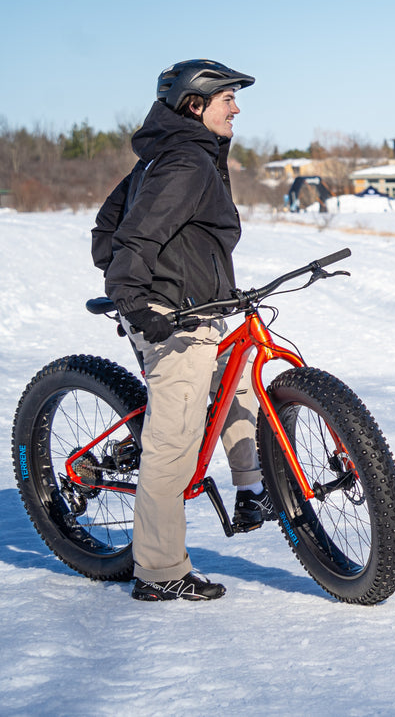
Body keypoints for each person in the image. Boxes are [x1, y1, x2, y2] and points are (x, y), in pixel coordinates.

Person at [91, 59, 274, 601]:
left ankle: (252, 490)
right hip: (169, 318)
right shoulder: (185, 163)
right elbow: (133, 238)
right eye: (227, 100)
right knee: (173, 444)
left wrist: (193, 281)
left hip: (196, 307)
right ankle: (158, 571)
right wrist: (137, 297)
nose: (236, 108)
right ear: (195, 106)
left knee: (240, 384)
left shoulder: (180, 158)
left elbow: (110, 224)